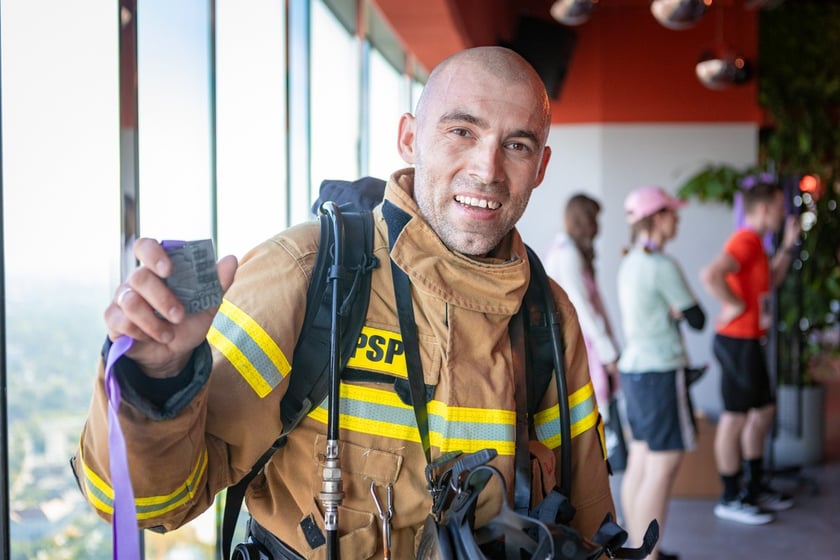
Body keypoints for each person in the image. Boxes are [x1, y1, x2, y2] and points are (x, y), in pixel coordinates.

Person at [72, 46, 615, 559]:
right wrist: (156, 380)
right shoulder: (304, 272)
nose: (488, 169)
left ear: (540, 166)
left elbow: (587, 520)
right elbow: (147, 504)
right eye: (461, 131)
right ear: (409, 138)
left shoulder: (548, 315)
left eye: (516, 145)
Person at [701, 173, 801, 525]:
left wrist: (787, 246)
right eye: (779, 206)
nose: (783, 212)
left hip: (750, 341)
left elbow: (771, 280)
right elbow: (711, 274)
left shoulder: (757, 243)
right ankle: (730, 498)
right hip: (737, 342)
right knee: (736, 418)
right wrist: (735, 305)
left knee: (763, 412)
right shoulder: (744, 239)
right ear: (764, 208)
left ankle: (754, 488)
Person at [617, 186, 705, 560]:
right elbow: (698, 319)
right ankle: (649, 556)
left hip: (634, 373)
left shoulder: (630, 261)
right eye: (671, 212)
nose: (677, 219)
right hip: (660, 373)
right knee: (663, 466)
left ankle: (639, 550)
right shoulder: (662, 266)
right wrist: (678, 311)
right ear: (656, 218)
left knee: (640, 462)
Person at [544, 194, 624, 466]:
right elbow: (583, 308)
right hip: (585, 346)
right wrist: (608, 351)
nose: (598, 225)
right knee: (596, 417)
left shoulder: (565, 250)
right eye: (595, 218)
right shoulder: (567, 254)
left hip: (583, 343)